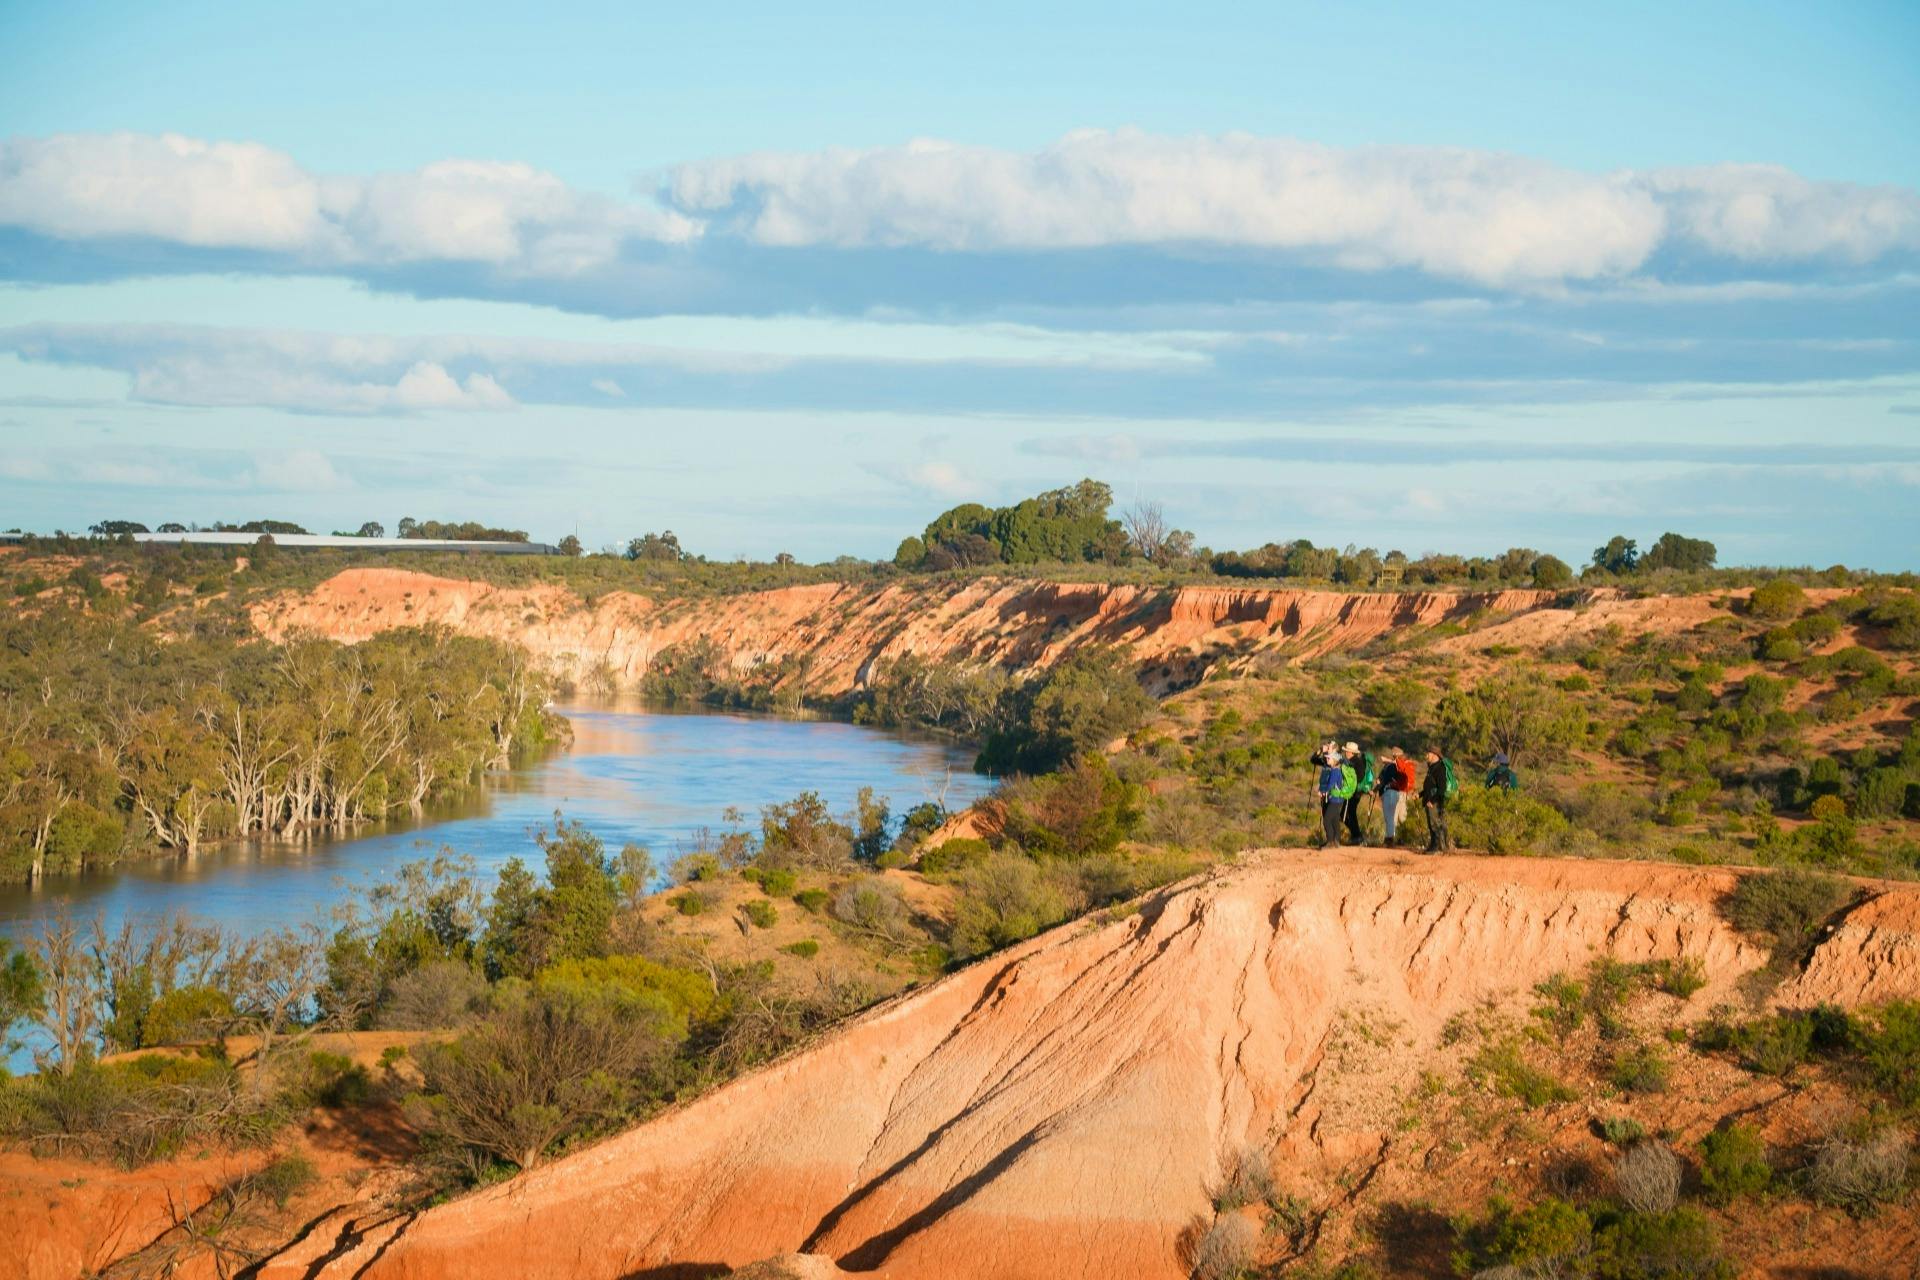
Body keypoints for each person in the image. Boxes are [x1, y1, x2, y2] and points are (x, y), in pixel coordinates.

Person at [1314, 744, 1357, 848]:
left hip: (1335, 799)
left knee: (1327, 819)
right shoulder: (1337, 770)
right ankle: (1336, 841)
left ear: (1334, 760)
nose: (1327, 759)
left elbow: (1330, 784)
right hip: (1338, 799)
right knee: (1334, 819)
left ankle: (1330, 841)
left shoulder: (1335, 771)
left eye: (1329, 758)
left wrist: (1323, 791)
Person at [1375, 746, 1415, 845]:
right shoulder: (1408, 764)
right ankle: (1404, 838)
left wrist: (1389, 762)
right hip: (1404, 793)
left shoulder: (1395, 765)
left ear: (1394, 755)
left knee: (1391, 817)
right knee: (1402, 817)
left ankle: (1390, 839)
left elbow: (1385, 780)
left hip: (1394, 792)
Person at [1421, 748, 1456, 853]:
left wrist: (1432, 801)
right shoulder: (1432, 768)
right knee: (1432, 825)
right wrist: (1419, 795)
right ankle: (1434, 846)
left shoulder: (1440, 768)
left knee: (1435, 824)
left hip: (1435, 802)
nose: (1427, 755)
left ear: (1435, 755)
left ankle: (1437, 847)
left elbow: (1442, 789)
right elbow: (1429, 786)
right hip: (1430, 800)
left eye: (1429, 753)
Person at [1342, 741, 1375, 845]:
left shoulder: (1356, 762)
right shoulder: (1354, 761)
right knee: (1348, 814)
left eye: (1347, 751)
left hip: (1355, 792)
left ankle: (1357, 836)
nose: (1345, 753)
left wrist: (1350, 783)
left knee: (1347, 814)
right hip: (1354, 791)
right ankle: (1356, 836)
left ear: (1351, 752)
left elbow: (1359, 777)